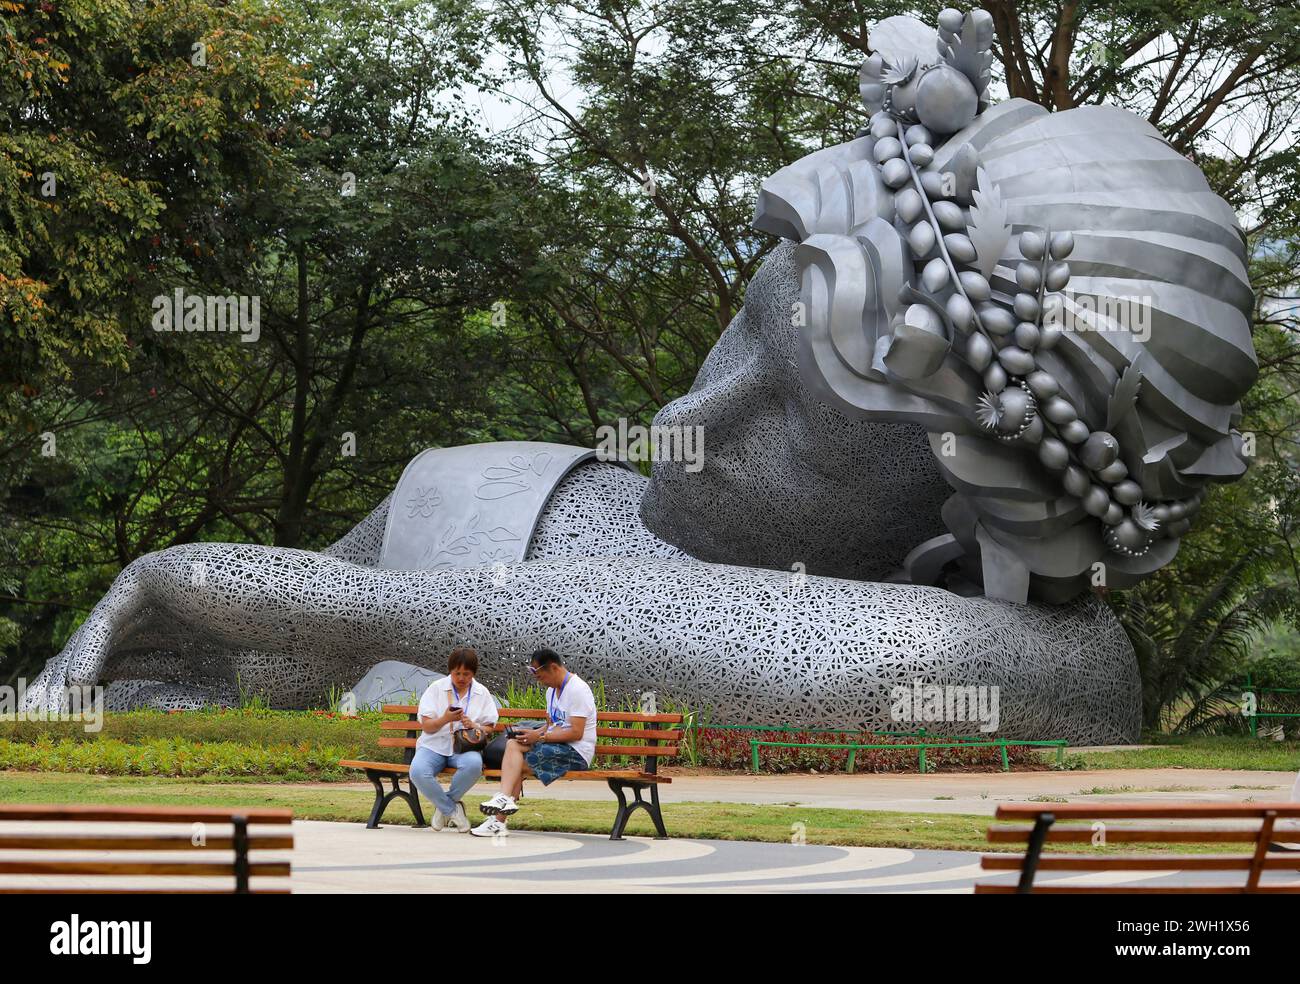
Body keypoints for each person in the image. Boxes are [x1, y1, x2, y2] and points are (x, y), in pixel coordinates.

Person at [471, 648, 596, 838]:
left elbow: (576, 732)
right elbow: (551, 726)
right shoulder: (551, 692)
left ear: (553, 668)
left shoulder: (578, 690)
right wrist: (534, 733)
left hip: (576, 752)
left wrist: (540, 738)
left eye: (540, 675)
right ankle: (501, 809)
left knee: (516, 764)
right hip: (557, 747)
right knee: (513, 745)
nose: (539, 681)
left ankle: (499, 816)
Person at [409, 647, 498, 833]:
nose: (461, 678)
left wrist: (474, 725)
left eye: (466, 674)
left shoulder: (481, 692)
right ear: (450, 671)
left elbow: (490, 727)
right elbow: (426, 726)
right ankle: (451, 809)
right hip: (434, 744)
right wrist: (446, 719)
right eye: (457, 673)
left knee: (474, 765)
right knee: (418, 771)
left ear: (473, 673)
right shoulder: (436, 688)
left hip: (464, 747)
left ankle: (443, 806)